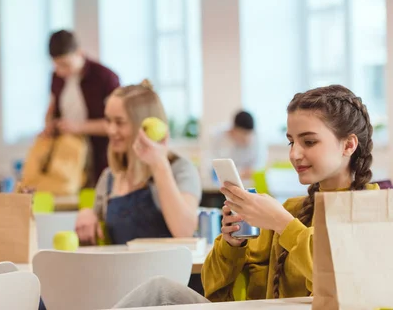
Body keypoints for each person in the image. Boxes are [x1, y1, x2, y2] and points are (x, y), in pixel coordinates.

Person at [112, 84, 379, 307]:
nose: (294, 154)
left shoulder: (373, 212)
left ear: (349, 144)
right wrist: (232, 243)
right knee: (160, 291)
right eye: (291, 141)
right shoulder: (293, 208)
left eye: (308, 142)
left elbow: (345, 284)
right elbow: (214, 288)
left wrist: (282, 224)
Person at [75, 80, 201, 246]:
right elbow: (99, 238)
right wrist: (87, 214)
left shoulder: (180, 169)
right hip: (123, 271)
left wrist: (159, 165)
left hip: (171, 271)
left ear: (144, 125)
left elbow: (185, 231)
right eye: (108, 120)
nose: (111, 130)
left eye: (119, 122)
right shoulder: (109, 178)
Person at [44, 30, 120, 187]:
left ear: (79, 53)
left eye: (65, 64)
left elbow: (118, 124)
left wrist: (78, 127)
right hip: (69, 158)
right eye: (56, 65)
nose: (60, 71)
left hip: (101, 157)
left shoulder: (105, 77)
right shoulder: (56, 77)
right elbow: (51, 109)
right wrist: (50, 125)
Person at [210, 110, 260, 182]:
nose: (246, 139)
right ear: (233, 130)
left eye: (249, 134)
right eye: (243, 135)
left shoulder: (257, 140)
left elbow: (258, 167)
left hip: (249, 184)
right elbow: (214, 165)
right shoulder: (220, 138)